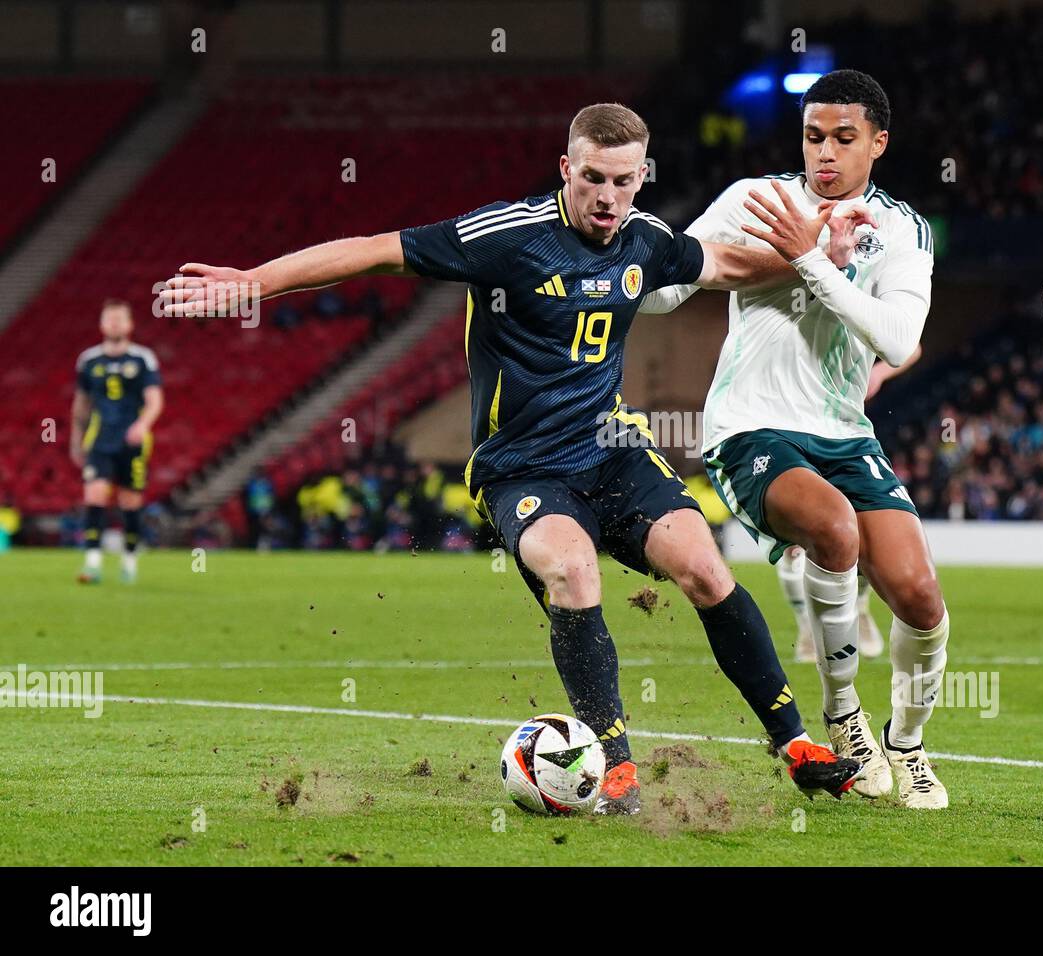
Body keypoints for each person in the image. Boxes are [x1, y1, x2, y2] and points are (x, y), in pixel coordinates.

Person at [161, 102, 865, 815]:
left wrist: (813, 261)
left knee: (706, 569)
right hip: (522, 467)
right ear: (567, 168)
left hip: (612, 452)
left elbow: (724, 264)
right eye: (593, 178)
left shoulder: (647, 240)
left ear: (641, 177)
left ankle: (795, 745)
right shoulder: (508, 235)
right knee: (573, 567)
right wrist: (254, 282)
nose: (608, 197)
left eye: (624, 182)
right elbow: (375, 249)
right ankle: (615, 768)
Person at [639, 71, 950, 809]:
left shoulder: (902, 229)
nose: (826, 154)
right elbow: (662, 293)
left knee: (920, 596)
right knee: (833, 530)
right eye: (814, 136)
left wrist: (813, 262)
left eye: (844, 138)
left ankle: (906, 744)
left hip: (844, 429)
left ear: (878, 142)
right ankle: (844, 717)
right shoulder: (758, 199)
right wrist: (639, 255)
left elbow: (899, 343)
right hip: (751, 424)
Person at [782, 345, 922, 664]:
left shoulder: (855, 302)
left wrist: (879, 373)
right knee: (795, 540)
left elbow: (911, 344)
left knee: (856, 532)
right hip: (789, 429)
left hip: (847, 430)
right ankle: (807, 629)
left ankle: (857, 608)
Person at [70, 299, 163, 584]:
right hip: (100, 439)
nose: (114, 324)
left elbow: (155, 401)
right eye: (109, 319)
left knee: (129, 502)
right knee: (95, 495)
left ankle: (129, 561)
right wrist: (76, 440)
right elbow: (81, 405)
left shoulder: (143, 359)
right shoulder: (88, 361)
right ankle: (93, 563)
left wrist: (142, 424)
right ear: (101, 324)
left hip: (132, 440)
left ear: (130, 324)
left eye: (119, 319)